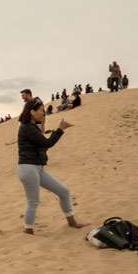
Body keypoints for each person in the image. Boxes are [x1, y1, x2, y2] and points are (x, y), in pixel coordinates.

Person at [16, 99, 85, 235]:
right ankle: (28, 230)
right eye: (41, 110)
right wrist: (60, 129)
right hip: (28, 168)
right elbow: (48, 143)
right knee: (33, 201)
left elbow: (42, 146)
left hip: (37, 168)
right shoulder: (27, 127)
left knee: (63, 191)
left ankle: (72, 222)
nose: (44, 113)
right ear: (32, 112)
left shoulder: (32, 127)